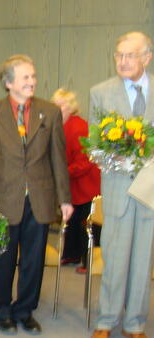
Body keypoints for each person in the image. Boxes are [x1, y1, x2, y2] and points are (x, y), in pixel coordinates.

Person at [0, 54, 72, 335]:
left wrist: (64, 198)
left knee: (34, 259)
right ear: (8, 83)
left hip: (40, 198)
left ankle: (25, 310)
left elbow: (58, 159)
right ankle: (1, 309)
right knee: (1, 258)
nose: (33, 82)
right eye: (26, 77)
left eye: (34, 76)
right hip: (4, 198)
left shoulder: (49, 112)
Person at [89, 31, 154, 338]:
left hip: (150, 191)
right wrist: (119, 161)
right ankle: (107, 320)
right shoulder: (100, 92)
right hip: (116, 188)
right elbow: (94, 146)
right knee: (114, 258)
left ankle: (135, 323)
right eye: (119, 55)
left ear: (147, 57)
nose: (123, 61)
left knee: (143, 260)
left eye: (130, 55)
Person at [51, 88, 101, 271]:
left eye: (60, 105)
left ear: (70, 107)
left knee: (86, 225)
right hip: (71, 183)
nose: (55, 108)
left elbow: (85, 162)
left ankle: (89, 262)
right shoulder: (61, 125)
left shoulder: (79, 127)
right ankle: (71, 255)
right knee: (71, 221)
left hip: (86, 184)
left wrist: (61, 173)